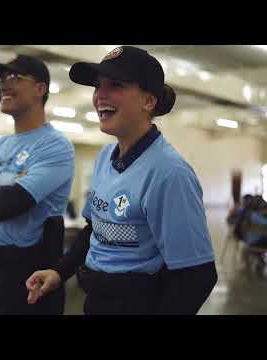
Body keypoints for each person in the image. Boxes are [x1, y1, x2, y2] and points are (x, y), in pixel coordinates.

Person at [26, 46, 217, 315]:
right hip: (97, 300)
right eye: (97, 85)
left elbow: (198, 277)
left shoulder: (169, 174)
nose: (100, 95)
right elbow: (95, 229)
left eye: (115, 85)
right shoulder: (106, 157)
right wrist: (60, 272)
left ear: (148, 101)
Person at [0, 54, 75, 315]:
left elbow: (10, 203)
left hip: (29, 276)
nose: (3, 86)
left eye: (14, 77)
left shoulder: (55, 145)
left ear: (40, 89)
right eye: (0, 80)